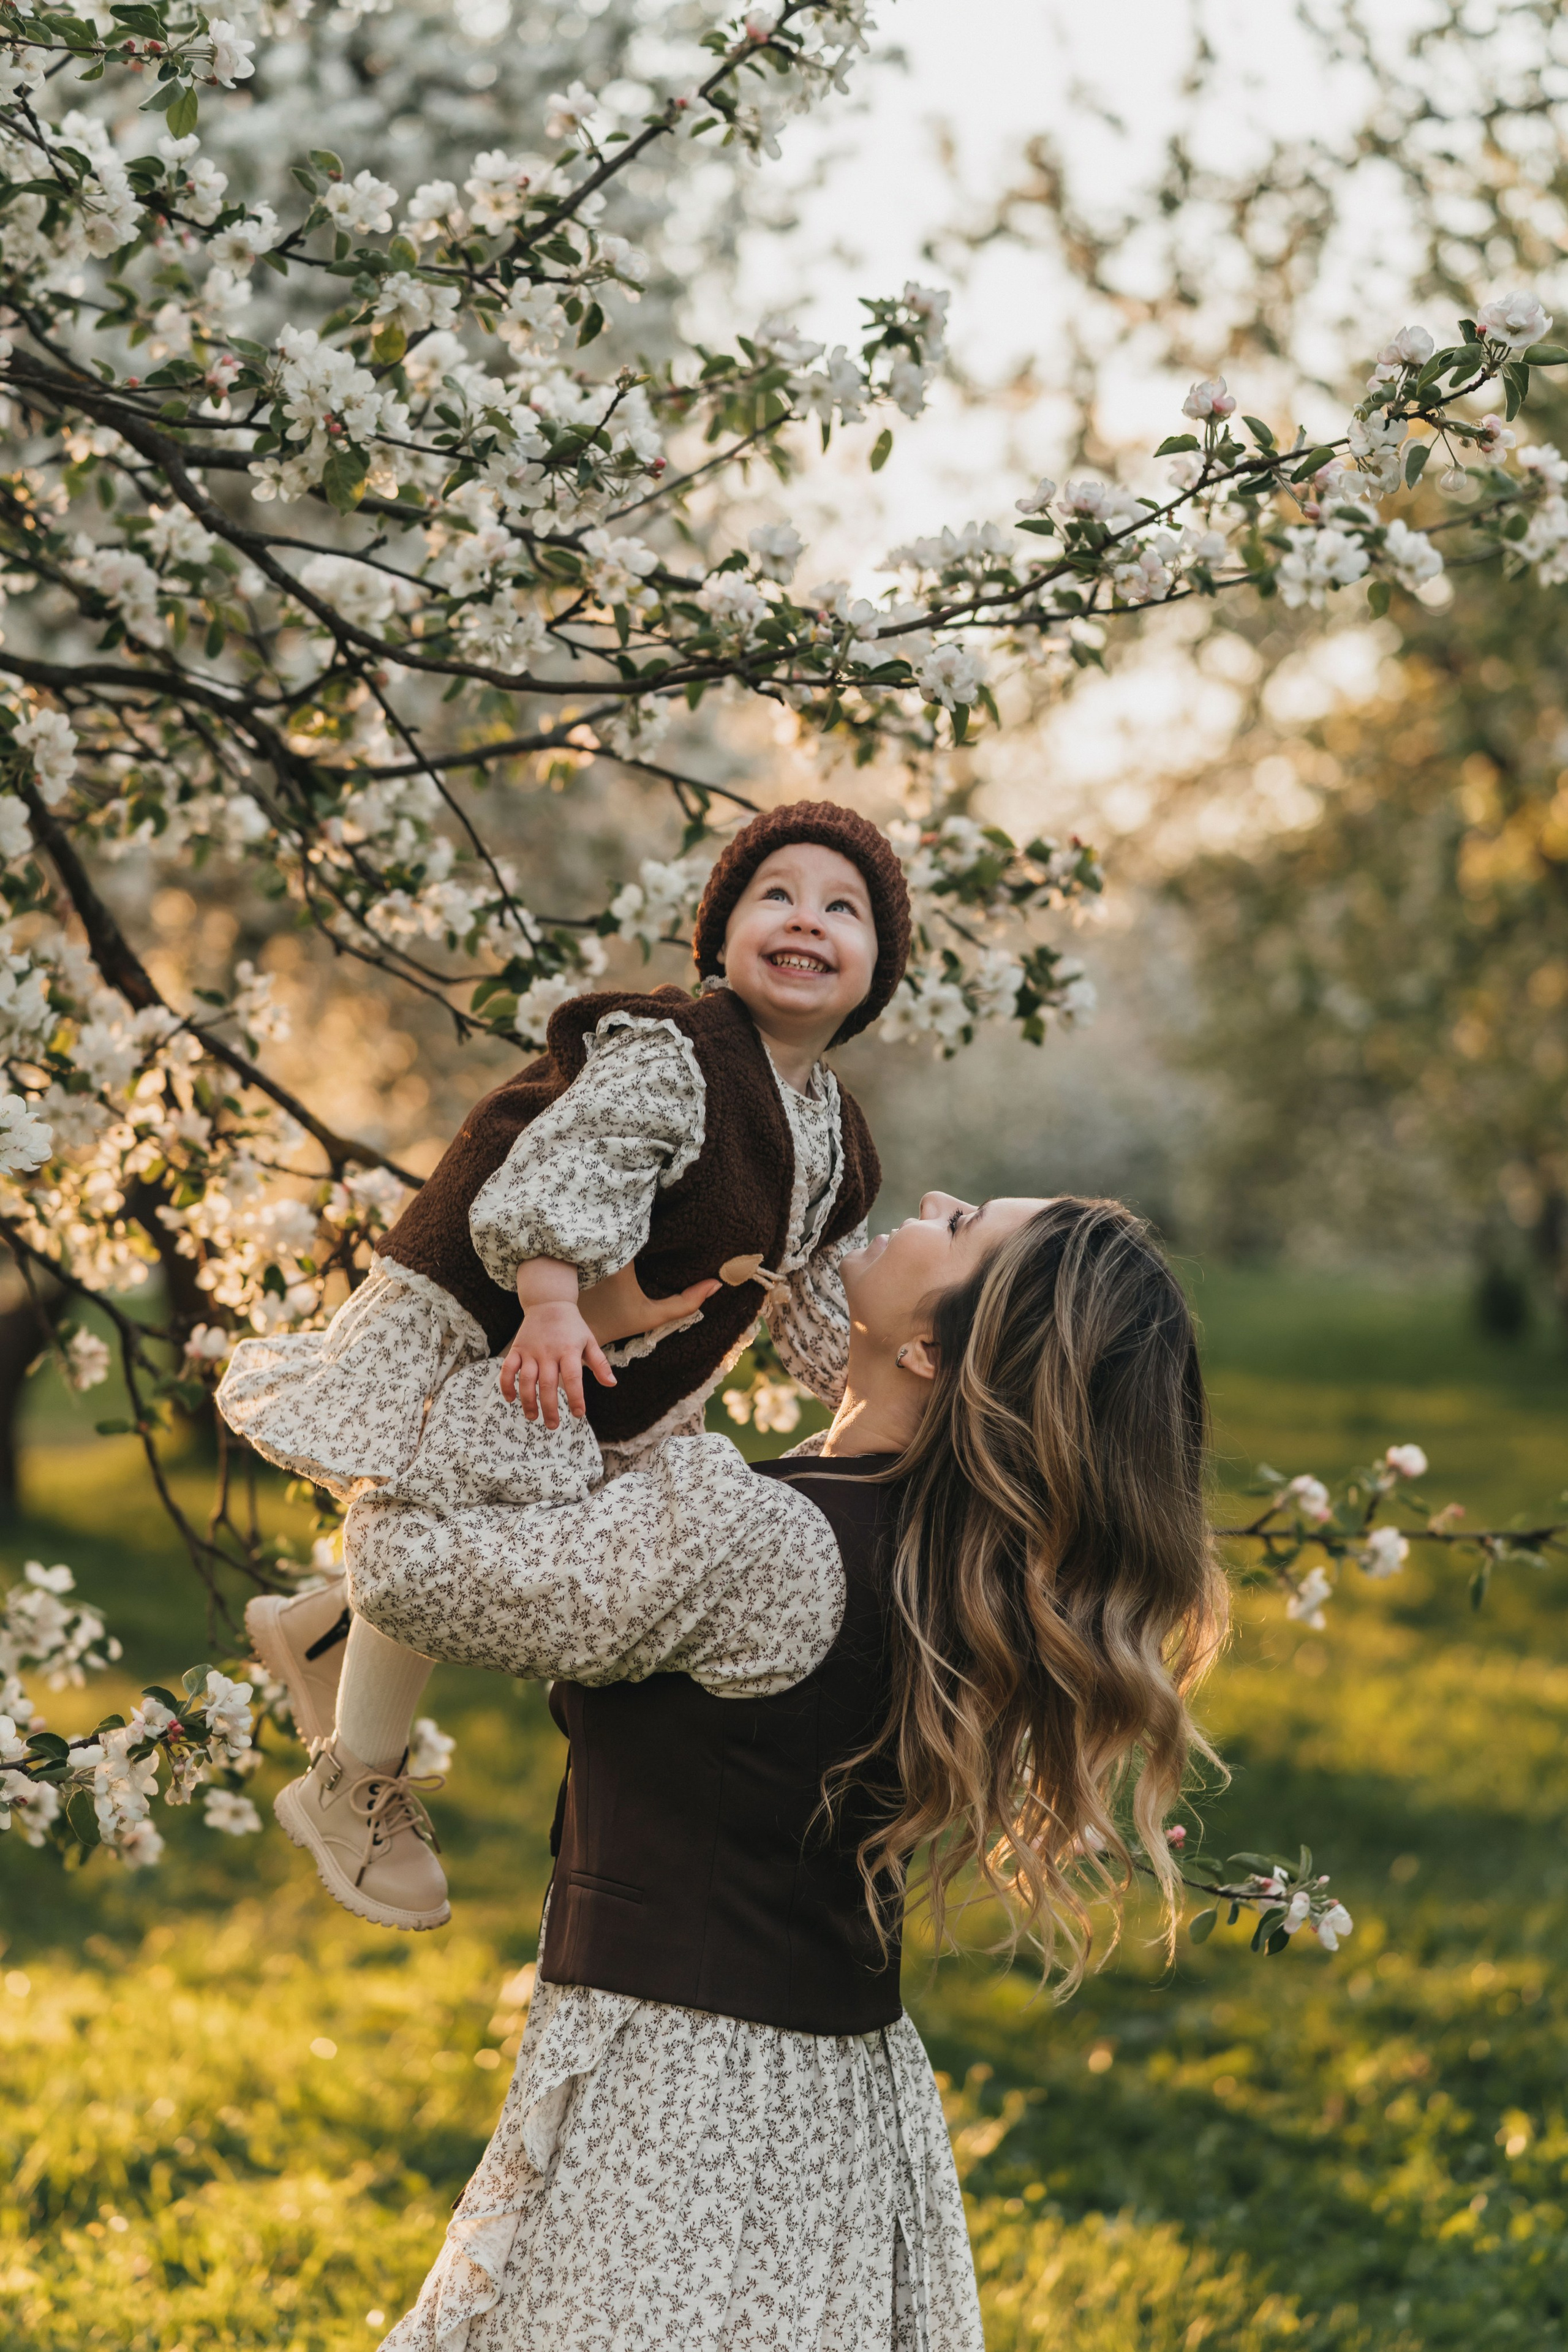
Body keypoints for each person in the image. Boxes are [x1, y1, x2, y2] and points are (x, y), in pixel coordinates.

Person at [344, 1189, 1229, 2351]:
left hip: (685, 2108)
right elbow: (806, 1292)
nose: (928, 1202)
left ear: (925, 1348)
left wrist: (463, 1376)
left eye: (958, 1225)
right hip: (837, 2103)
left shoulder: (760, 1541)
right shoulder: (965, 1556)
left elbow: (408, 1578)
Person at [217, 802, 912, 1932]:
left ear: (876, 972)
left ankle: (330, 1627)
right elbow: (567, 1170)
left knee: (548, 1535)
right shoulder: (675, 1055)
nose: (808, 920)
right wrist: (546, 1300)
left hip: (610, 1373)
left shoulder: (837, 1135)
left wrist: (897, 1391)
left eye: (845, 909)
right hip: (510, 1321)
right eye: (775, 894)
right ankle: (350, 1779)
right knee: (458, 1509)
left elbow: (820, 1297)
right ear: (721, 938)